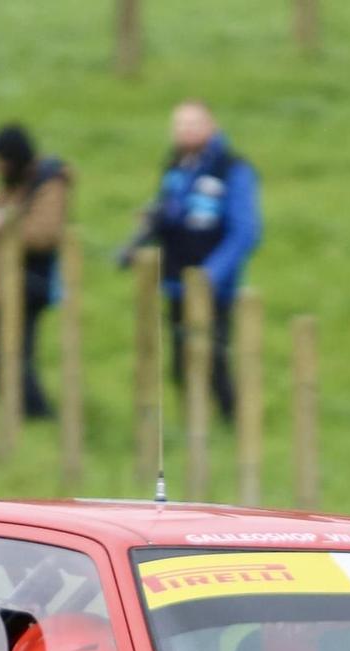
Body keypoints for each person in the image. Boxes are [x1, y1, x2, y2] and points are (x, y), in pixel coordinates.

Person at [125, 101, 261, 419]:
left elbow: (245, 231)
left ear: (211, 125)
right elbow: (170, 214)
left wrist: (210, 276)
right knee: (180, 363)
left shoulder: (233, 168)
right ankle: (194, 428)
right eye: (179, 125)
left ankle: (235, 424)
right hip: (175, 283)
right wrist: (141, 240)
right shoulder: (175, 166)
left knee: (214, 360)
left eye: (193, 123)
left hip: (214, 287)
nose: (185, 131)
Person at [0, 124, 71, 420]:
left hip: (29, 284)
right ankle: (16, 418)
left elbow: (44, 233)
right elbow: (1, 205)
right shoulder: (19, 183)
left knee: (17, 360)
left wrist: (0, 224)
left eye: (0, 161)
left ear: (15, 158)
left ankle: (38, 419)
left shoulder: (50, 184)